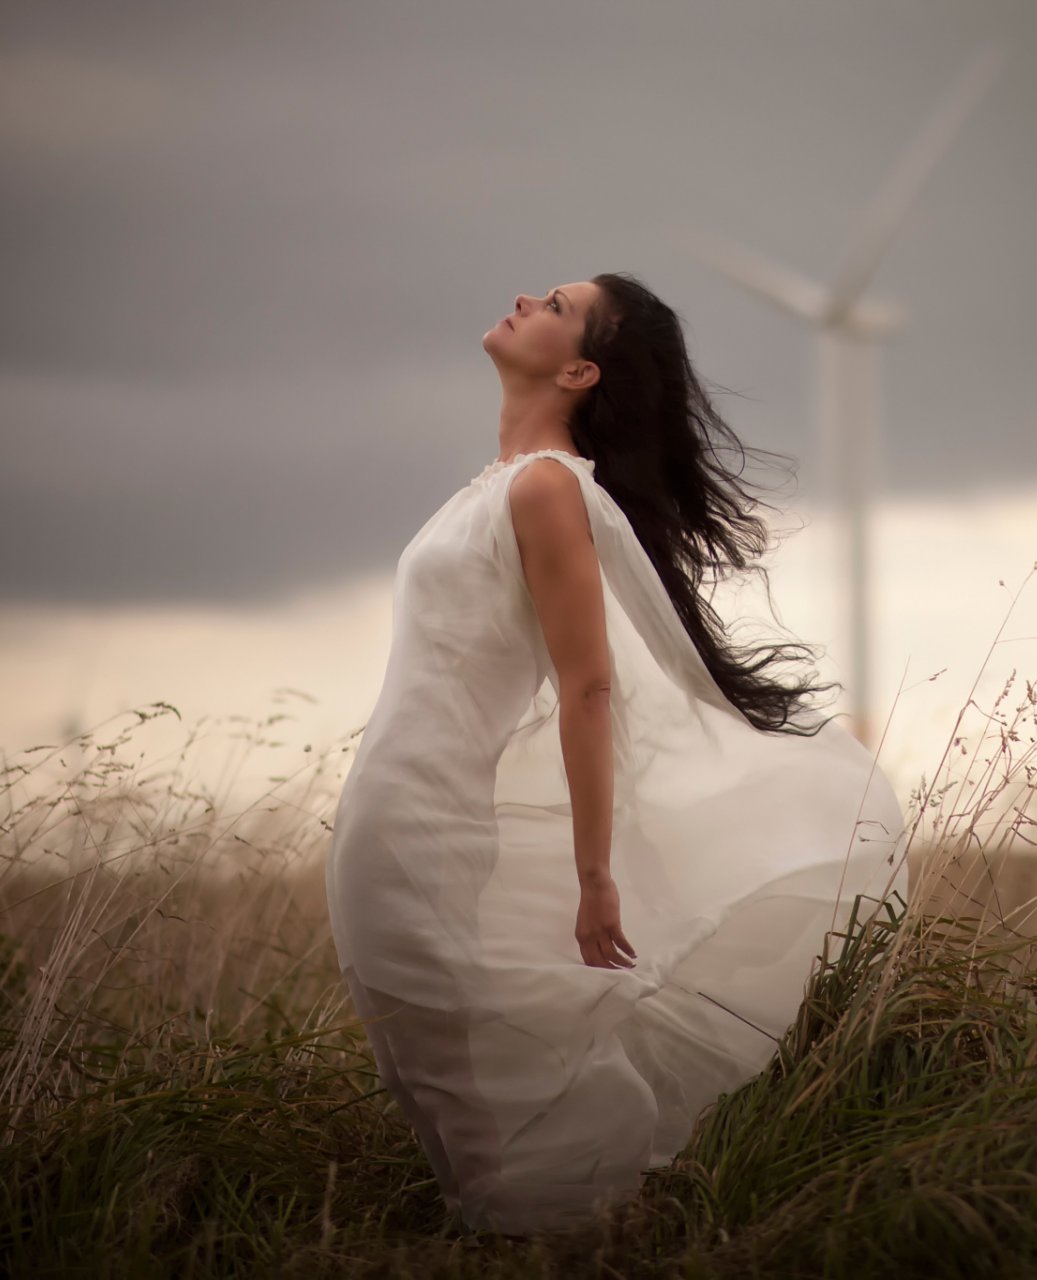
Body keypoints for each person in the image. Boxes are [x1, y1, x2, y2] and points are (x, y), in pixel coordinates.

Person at [324, 271, 906, 1235]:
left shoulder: (548, 489)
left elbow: (588, 688)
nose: (525, 297)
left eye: (556, 306)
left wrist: (596, 876)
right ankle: (549, 1235)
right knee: (441, 1092)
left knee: (484, 1113)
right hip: (386, 821)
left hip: (428, 826)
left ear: (583, 368)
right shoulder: (499, 486)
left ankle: (578, 1237)